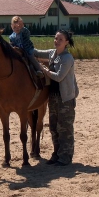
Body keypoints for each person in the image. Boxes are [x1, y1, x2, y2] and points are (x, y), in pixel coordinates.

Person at [34, 30, 79, 166]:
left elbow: (59, 76)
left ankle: (65, 157)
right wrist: (21, 40)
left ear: (66, 42)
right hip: (53, 97)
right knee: (54, 127)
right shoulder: (52, 54)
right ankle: (57, 154)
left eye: (60, 39)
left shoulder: (67, 58)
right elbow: (35, 52)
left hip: (65, 99)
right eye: (55, 38)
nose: (57, 41)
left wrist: (44, 70)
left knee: (64, 128)